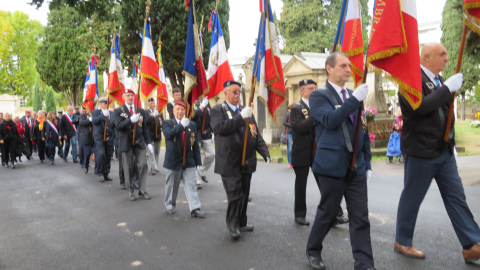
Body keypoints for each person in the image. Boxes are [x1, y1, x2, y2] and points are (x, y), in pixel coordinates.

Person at [394, 42, 480, 263]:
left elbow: (445, 115)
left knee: (457, 198)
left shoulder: (440, 81)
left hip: (444, 151)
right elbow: (419, 108)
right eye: (442, 54)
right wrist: (446, 90)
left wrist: (451, 140)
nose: (446, 59)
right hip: (421, 152)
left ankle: (471, 244)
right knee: (412, 198)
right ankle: (403, 240)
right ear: (426, 56)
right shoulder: (409, 81)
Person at [305, 52, 374, 270]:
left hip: (356, 167)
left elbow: (361, 131)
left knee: (360, 218)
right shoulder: (319, 96)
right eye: (343, 65)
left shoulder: (354, 95)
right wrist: (354, 101)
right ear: (329, 68)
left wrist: (368, 163)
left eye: (349, 65)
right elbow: (330, 120)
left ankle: (364, 264)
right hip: (331, 166)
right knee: (328, 212)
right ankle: (313, 250)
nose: (348, 68)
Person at [210, 80, 270, 239]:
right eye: (234, 91)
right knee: (234, 194)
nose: (237, 94)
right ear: (225, 93)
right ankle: (233, 225)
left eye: (239, 91)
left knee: (244, 193)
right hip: (229, 160)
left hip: (247, 160)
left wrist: (265, 152)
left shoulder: (246, 110)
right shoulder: (218, 110)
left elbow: (255, 133)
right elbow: (220, 128)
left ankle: (242, 221)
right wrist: (240, 118)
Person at [162, 101, 205, 218]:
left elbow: (195, 144)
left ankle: (195, 208)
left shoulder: (191, 125)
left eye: (182, 109)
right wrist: (181, 126)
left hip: (188, 159)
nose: (180, 111)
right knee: (172, 185)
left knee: (191, 184)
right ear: (173, 110)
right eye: (178, 109)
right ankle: (170, 205)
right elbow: (168, 135)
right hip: (173, 159)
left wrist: (198, 163)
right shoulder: (167, 123)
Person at [114, 89, 154, 201]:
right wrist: (130, 120)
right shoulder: (118, 111)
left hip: (139, 142)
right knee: (128, 167)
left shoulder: (140, 110)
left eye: (132, 95)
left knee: (143, 165)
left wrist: (149, 142)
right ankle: (130, 191)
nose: (130, 97)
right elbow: (118, 126)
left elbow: (144, 128)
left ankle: (142, 190)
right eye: (128, 95)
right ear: (123, 97)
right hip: (126, 143)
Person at [192, 96, 215, 189]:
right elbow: (193, 116)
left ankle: (201, 172)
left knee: (211, 154)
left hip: (206, 134)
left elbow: (211, 119)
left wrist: (213, 131)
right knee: (197, 157)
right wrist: (201, 106)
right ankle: (197, 180)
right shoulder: (194, 104)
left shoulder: (208, 105)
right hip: (196, 134)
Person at [92, 97, 115, 182]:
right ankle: (100, 173)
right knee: (101, 155)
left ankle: (106, 173)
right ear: (101, 104)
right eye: (104, 103)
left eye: (107, 103)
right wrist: (102, 115)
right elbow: (94, 121)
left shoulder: (111, 113)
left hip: (109, 138)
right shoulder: (96, 112)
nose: (106, 105)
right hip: (99, 138)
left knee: (108, 156)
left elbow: (114, 124)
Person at [145, 97, 164, 175]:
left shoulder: (159, 112)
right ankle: (153, 167)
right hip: (150, 135)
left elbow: (162, 121)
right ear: (148, 104)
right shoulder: (146, 112)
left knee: (157, 152)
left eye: (153, 103)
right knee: (151, 152)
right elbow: (145, 121)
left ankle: (155, 166)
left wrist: (162, 124)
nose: (153, 105)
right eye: (151, 103)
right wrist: (152, 116)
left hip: (158, 135)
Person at [78, 107, 93, 173]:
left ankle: (98, 170)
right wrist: (89, 120)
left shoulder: (96, 113)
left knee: (99, 155)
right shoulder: (83, 115)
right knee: (87, 154)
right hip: (87, 137)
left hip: (96, 136)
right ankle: (86, 166)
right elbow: (81, 123)